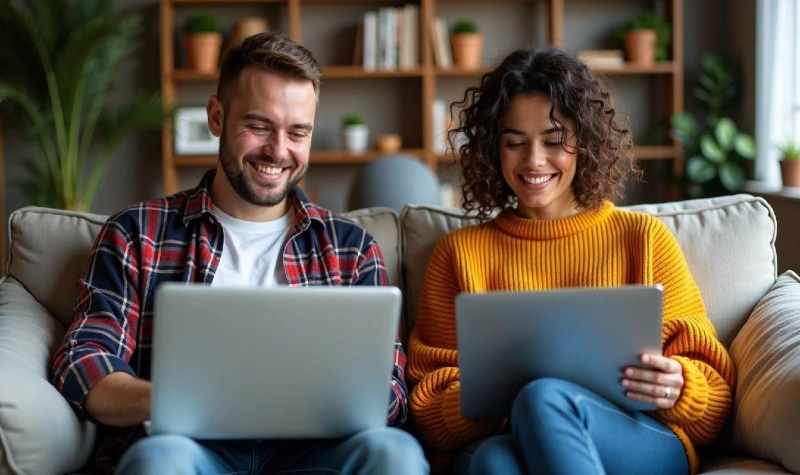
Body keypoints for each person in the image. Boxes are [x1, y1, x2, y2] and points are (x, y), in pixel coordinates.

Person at [50, 32, 428, 475]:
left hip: (317, 453)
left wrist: (314, 400)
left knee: (395, 455)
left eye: (297, 132)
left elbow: (391, 387)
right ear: (216, 116)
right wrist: (173, 399)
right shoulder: (137, 233)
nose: (278, 150)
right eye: (260, 126)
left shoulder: (351, 248)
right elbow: (85, 359)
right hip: (191, 449)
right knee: (159, 460)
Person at [407, 48, 734, 475]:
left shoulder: (643, 240)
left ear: (585, 142)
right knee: (492, 461)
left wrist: (678, 386)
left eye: (554, 140)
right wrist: (483, 398)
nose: (534, 161)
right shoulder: (460, 254)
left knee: (543, 398)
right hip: (505, 438)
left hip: (635, 439)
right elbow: (427, 410)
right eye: (515, 143)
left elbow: (715, 399)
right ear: (493, 149)